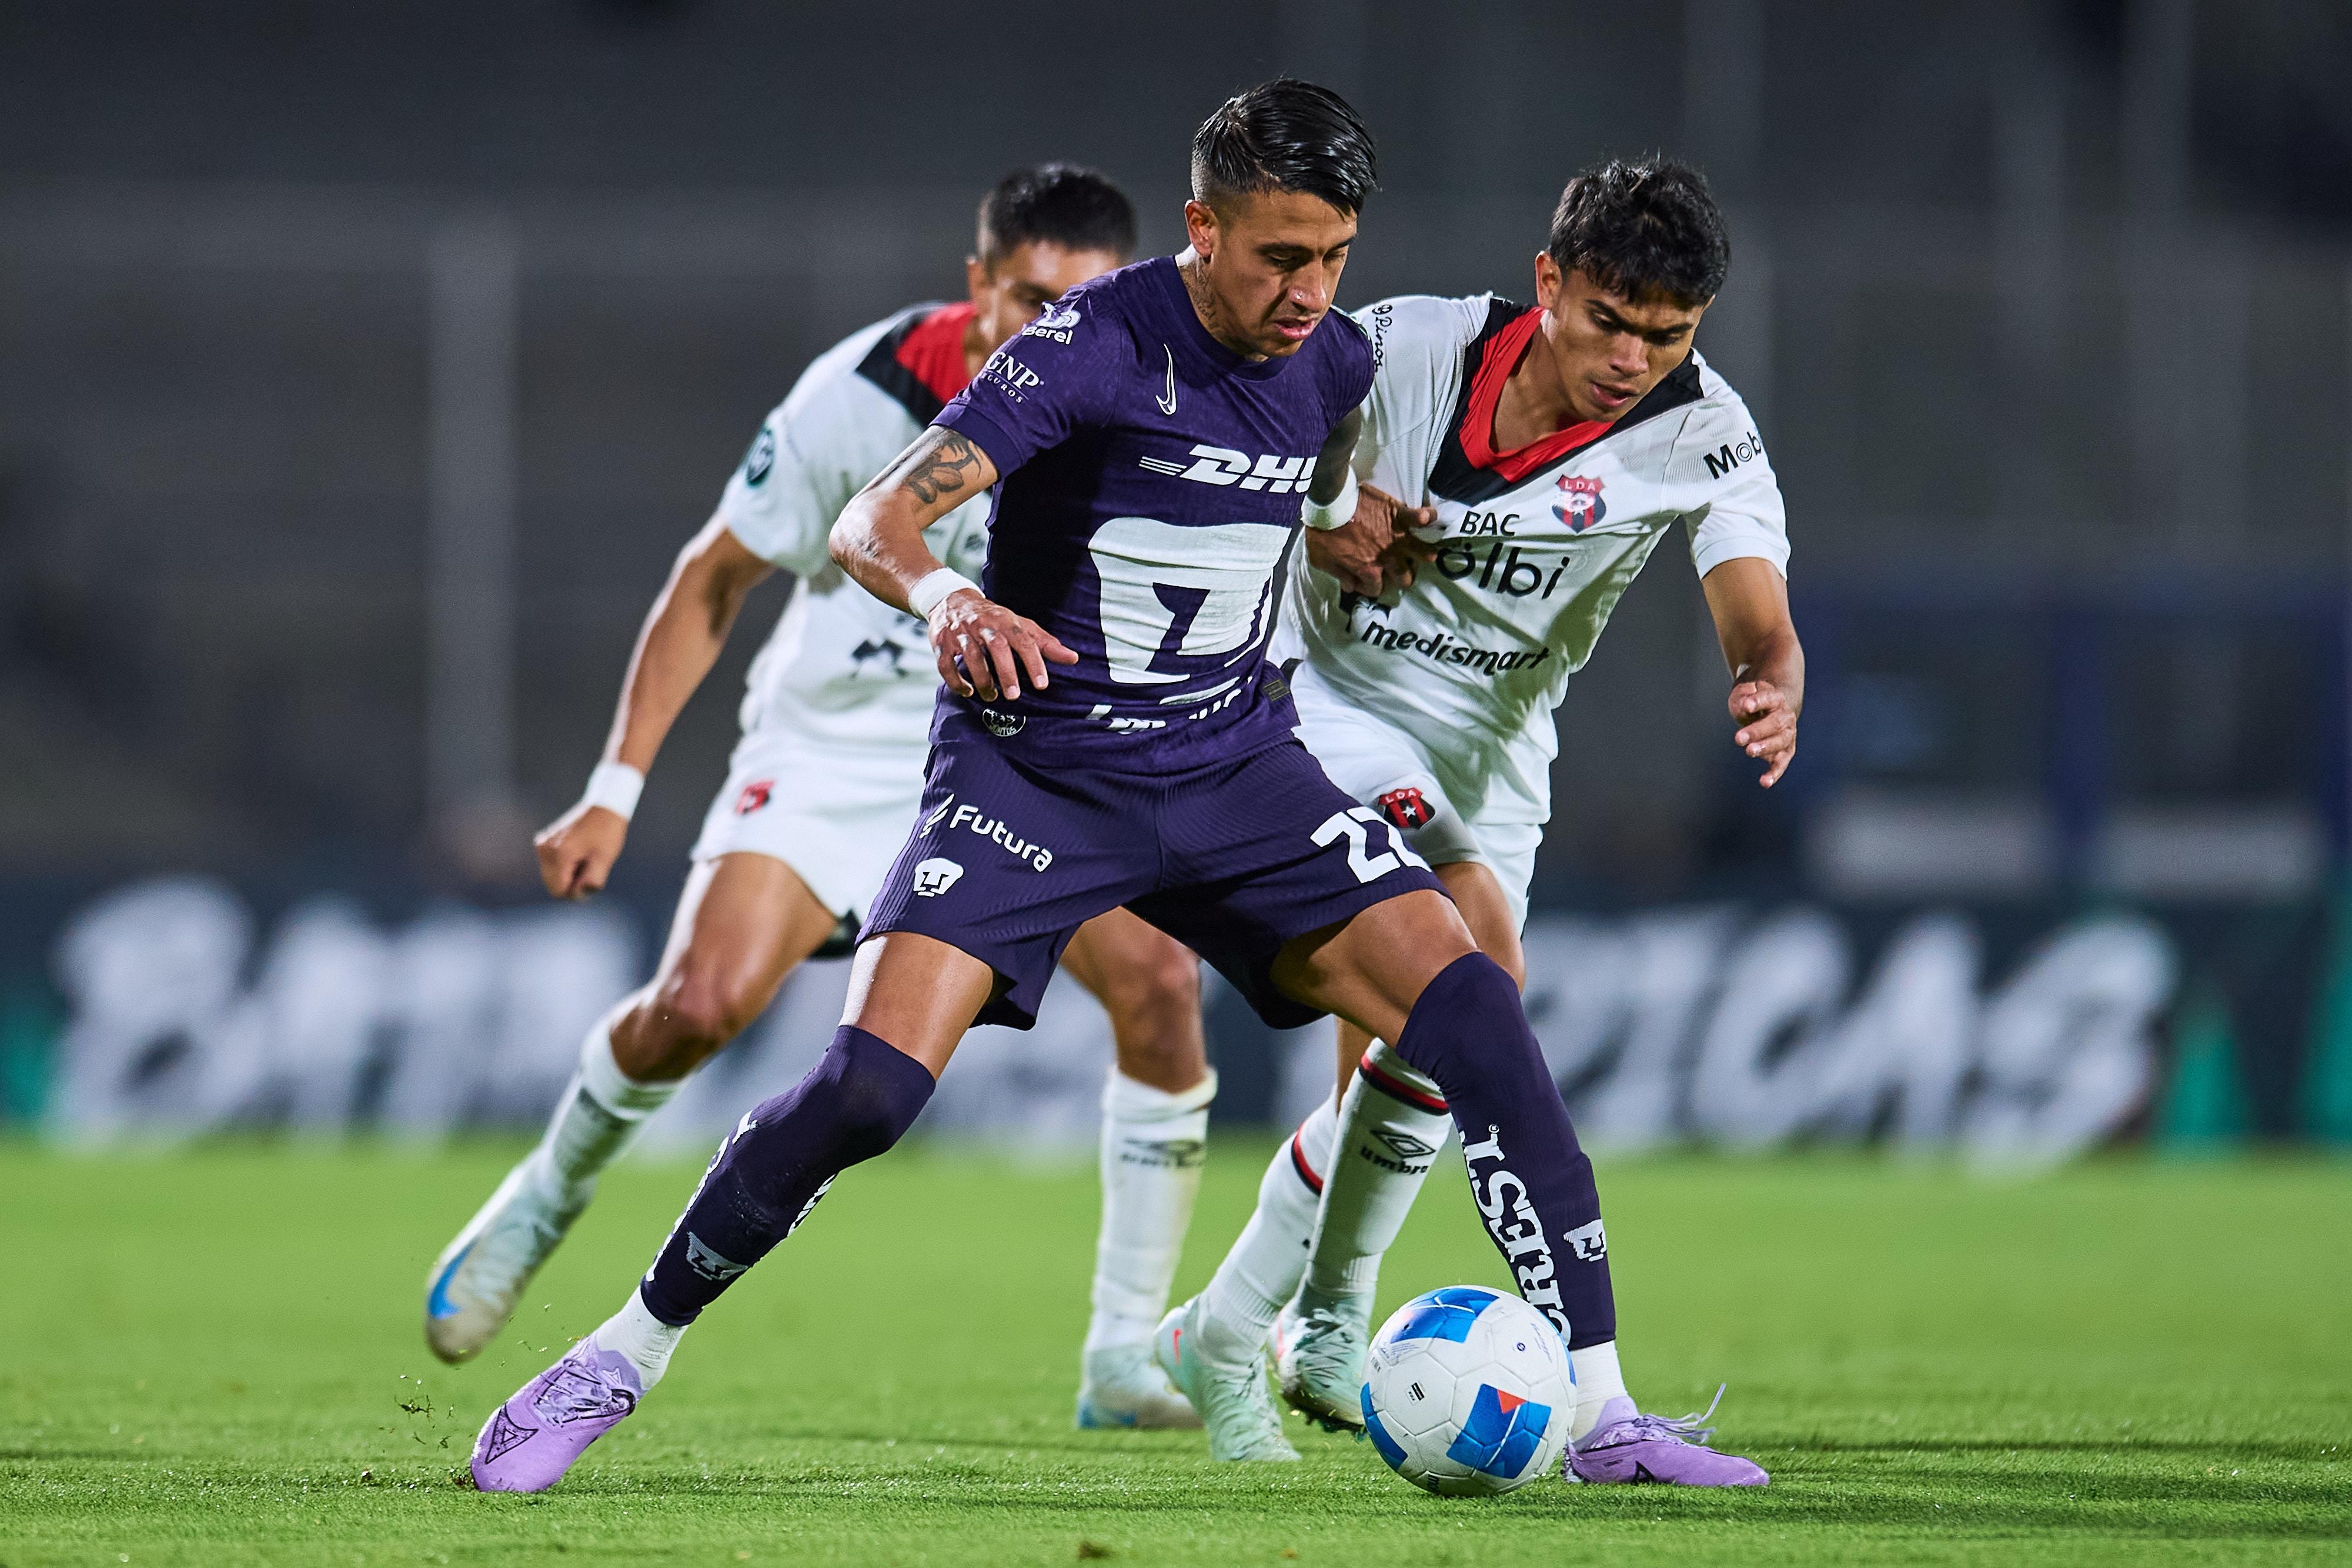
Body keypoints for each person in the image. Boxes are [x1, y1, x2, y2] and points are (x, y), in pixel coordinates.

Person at [466, 79, 1735, 1496]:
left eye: (1333, 256)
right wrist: (949, 596)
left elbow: (1307, 489)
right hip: (1041, 774)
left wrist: (1338, 529)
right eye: (1278, 255)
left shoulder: (1333, 366)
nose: (1310, 289)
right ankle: (615, 1353)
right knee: (871, 1091)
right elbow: (872, 516)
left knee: (1476, 1009)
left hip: (1233, 769)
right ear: (1203, 227)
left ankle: (1606, 1409)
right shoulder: (1088, 346)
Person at [423, 165, 1219, 1432]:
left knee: (1161, 987)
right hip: (841, 742)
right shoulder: (861, 395)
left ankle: (1120, 1353)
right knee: (697, 1004)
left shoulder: (1139, 393)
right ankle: (545, 1191)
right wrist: (613, 790)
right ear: (978, 284)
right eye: (1026, 298)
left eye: (1081, 301)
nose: (1051, 327)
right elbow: (710, 577)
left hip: (1018, 756)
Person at [1173, 155, 1794, 1487]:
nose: (1632, 357)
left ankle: (1303, 1321)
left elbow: (1751, 593)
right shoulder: (1396, 348)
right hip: (1315, 700)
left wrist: (1764, 671)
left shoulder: (1704, 429)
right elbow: (1237, 456)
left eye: (1666, 334)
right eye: (1608, 320)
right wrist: (1326, 514)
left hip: (1497, 753)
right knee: (1478, 970)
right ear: (1547, 283)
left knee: (1426, 1046)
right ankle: (1263, 1334)